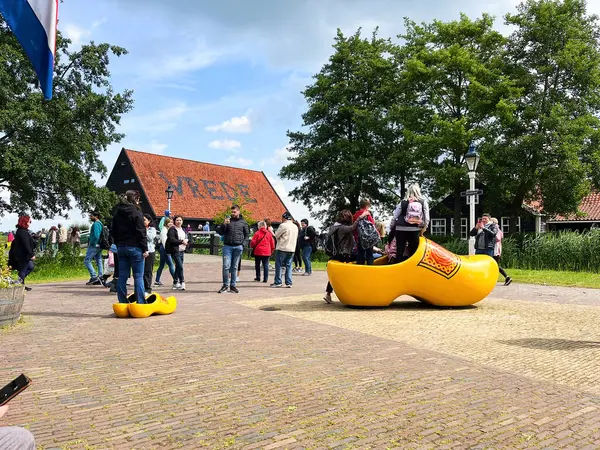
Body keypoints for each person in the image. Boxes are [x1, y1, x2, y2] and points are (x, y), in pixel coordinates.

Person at [323, 209, 369, 304]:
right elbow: (353, 228)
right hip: (343, 254)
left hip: (336, 254)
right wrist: (361, 216)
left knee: (335, 275)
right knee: (360, 259)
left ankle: (328, 293)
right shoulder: (342, 228)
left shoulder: (334, 227)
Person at [112, 190, 148, 304]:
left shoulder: (118, 213)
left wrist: (118, 244)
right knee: (138, 276)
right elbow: (141, 232)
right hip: (135, 247)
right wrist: (145, 248)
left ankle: (122, 301)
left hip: (121, 247)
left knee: (122, 276)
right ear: (136, 199)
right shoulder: (136, 213)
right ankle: (140, 302)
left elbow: (113, 231)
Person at [391, 184, 430, 262]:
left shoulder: (403, 202)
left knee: (400, 250)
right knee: (413, 250)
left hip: (400, 228)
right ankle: (411, 269)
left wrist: (392, 227)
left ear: (408, 191)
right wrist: (423, 228)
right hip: (415, 229)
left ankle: (398, 269)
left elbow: (395, 217)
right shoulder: (423, 202)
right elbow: (427, 219)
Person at [216, 205, 249, 294]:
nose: (233, 213)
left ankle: (233, 286)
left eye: (234, 212)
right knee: (226, 266)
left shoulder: (243, 222)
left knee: (234, 267)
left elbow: (247, 235)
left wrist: (243, 245)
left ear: (238, 212)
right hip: (227, 246)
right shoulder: (228, 221)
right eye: (232, 212)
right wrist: (224, 224)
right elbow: (220, 232)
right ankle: (225, 285)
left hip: (238, 247)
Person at [8, 216, 36, 291]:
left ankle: (19, 282)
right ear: (25, 222)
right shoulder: (22, 232)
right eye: (29, 221)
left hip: (22, 254)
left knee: (30, 266)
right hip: (22, 255)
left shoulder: (22, 231)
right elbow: (26, 244)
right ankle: (21, 285)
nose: (30, 223)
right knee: (23, 270)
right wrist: (31, 254)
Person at [271, 211, 298, 288]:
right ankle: (289, 282)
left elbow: (276, 235)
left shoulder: (283, 225)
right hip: (292, 248)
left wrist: (271, 231)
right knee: (289, 266)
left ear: (284, 218)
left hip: (283, 248)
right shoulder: (295, 226)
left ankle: (278, 282)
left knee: (279, 265)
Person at [166, 215, 188, 290]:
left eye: (180, 220)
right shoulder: (172, 229)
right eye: (177, 220)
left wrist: (187, 242)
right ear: (175, 221)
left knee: (178, 267)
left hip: (182, 250)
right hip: (175, 250)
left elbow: (185, 239)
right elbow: (172, 239)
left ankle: (175, 282)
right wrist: (182, 241)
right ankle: (182, 282)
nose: (179, 222)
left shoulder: (182, 229)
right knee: (180, 266)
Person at [353, 199, 377, 265]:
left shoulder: (355, 215)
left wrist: (356, 237)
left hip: (359, 238)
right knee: (369, 255)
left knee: (360, 255)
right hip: (368, 239)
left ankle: (359, 270)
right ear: (367, 206)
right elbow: (373, 226)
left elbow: (354, 228)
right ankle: (369, 270)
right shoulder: (368, 214)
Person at [84, 211, 104, 285]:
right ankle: (100, 276)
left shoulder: (96, 224)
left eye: (91, 216)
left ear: (96, 216)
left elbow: (96, 235)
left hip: (94, 245)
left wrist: (94, 243)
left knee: (87, 260)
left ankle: (94, 276)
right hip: (99, 245)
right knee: (98, 260)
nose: (90, 217)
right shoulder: (100, 223)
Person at [490, 218, 512, 285]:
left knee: (496, 265)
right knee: (495, 265)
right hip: (496, 248)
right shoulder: (497, 229)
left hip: (496, 249)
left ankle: (507, 277)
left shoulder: (496, 229)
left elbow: (498, 238)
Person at [155, 217, 176, 287]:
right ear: (166, 223)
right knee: (171, 264)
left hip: (164, 248)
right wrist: (168, 251)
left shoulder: (168, 229)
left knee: (161, 265)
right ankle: (175, 280)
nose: (171, 223)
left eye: (172, 222)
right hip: (165, 248)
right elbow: (164, 242)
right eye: (169, 222)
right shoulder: (164, 231)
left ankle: (157, 280)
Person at [143, 214, 157, 295]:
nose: (143, 221)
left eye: (144, 220)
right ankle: (141, 287)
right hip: (141, 251)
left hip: (150, 251)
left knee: (148, 270)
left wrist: (142, 231)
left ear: (149, 221)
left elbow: (150, 237)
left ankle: (147, 287)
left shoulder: (152, 229)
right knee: (141, 271)